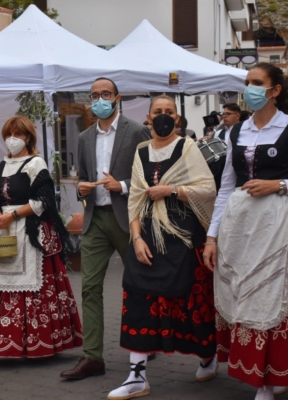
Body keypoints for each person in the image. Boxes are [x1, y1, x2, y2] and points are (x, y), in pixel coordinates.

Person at [108, 95, 217, 399]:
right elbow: (135, 199)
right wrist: (137, 237)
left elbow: (207, 188)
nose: (164, 117)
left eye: (169, 112)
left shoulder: (188, 147)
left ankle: (208, 355)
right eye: (158, 112)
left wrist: (171, 189)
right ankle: (137, 375)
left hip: (183, 237)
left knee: (190, 303)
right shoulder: (142, 150)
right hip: (147, 236)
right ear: (148, 117)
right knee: (138, 298)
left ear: (178, 119)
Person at [0, 116, 82, 367]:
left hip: (30, 232)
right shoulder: (0, 166)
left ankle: (39, 344)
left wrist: (13, 215)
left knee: (32, 286)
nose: (12, 138)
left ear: (28, 137)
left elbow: (44, 200)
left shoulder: (35, 163)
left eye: (17, 134)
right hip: (5, 231)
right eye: (8, 134)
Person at [203, 62, 288, 400]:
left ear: (275, 90)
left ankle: (268, 380)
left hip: (277, 222)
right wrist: (212, 236)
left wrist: (278, 184)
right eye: (247, 82)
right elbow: (224, 187)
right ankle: (266, 373)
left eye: (257, 82)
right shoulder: (235, 132)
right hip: (240, 226)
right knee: (245, 293)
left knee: (269, 295)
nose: (250, 88)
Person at [60, 78, 151, 380]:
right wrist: (82, 189)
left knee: (139, 284)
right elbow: (82, 179)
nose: (99, 99)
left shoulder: (136, 131)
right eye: (95, 95)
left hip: (127, 217)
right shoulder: (85, 137)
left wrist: (122, 185)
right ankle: (93, 357)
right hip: (95, 219)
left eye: (105, 94)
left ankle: (146, 340)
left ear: (117, 97)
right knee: (89, 288)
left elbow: (150, 176)